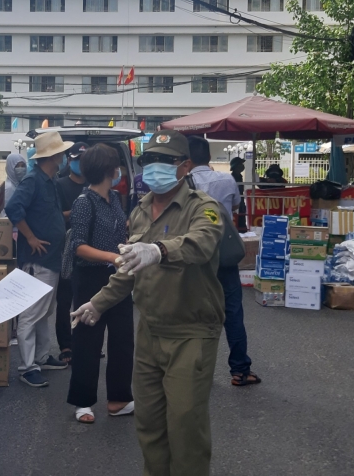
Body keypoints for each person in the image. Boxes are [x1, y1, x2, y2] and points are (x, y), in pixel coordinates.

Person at [72, 130, 225, 476]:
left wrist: (159, 250)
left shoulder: (205, 208)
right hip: (151, 331)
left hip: (191, 333)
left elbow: (201, 243)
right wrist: (97, 303)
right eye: (149, 160)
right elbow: (128, 270)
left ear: (184, 166)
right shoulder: (140, 210)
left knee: (186, 428)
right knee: (150, 426)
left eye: (164, 161)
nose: (154, 168)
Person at [66, 143, 134, 424]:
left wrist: (128, 250)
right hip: (90, 277)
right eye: (116, 166)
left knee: (123, 339)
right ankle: (83, 402)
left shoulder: (116, 199)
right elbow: (78, 246)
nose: (118, 171)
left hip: (118, 277)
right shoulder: (84, 202)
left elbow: (121, 230)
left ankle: (119, 398)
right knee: (87, 341)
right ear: (109, 169)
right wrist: (113, 257)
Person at [188, 137, 260, 387]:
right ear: (208, 156)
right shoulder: (228, 179)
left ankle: (194, 372)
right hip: (224, 256)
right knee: (233, 313)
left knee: (195, 314)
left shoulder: (185, 183)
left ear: (187, 158)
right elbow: (236, 208)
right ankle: (240, 370)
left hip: (196, 257)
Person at [5, 131, 73, 387]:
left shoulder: (49, 180)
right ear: (54, 156)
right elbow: (14, 209)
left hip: (51, 258)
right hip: (39, 259)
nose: (65, 157)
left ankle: (42, 356)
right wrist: (31, 238)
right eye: (62, 153)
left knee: (45, 311)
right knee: (32, 313)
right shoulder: (33, 181)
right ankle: (27, 366)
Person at [55, 142, 89, 364]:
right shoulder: (59, 185)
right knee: (65, 299)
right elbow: (56, 216)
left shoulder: (94, 186)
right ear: (69, 160)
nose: (79, 164)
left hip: (90, 250)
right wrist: (77, 211)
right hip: (66, 250)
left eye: (84, 160)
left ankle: (85, 341)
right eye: (76, 159)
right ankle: (66, 345)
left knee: (87, 299)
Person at [230, 156, 248, 231]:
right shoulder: (233, 177)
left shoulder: (239, 176)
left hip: (241, 201)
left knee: (242, 220)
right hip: (236, 201)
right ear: (236, 166)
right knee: (237, 222)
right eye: (240, 164)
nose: (242, 166)